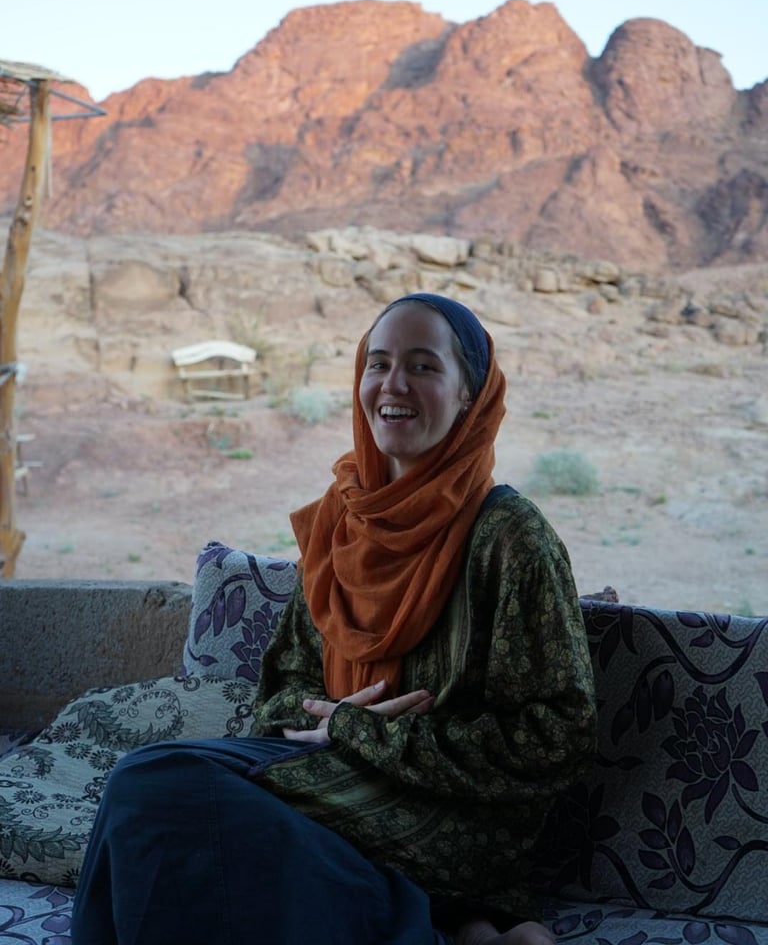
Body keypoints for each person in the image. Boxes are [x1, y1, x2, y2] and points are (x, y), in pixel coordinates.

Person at [71, 293, 597, 945]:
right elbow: (281, 696)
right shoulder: (343, 520)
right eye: (377, 364)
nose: (392, 384)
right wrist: (339, 731)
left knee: (155, 786)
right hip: (334, 776)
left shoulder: (509, 537)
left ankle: (423, 920)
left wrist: (371, 734)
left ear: (471, 395)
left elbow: (559, 736)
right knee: (149, 784)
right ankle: (442, 924)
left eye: (423, 367)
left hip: (449, 815)